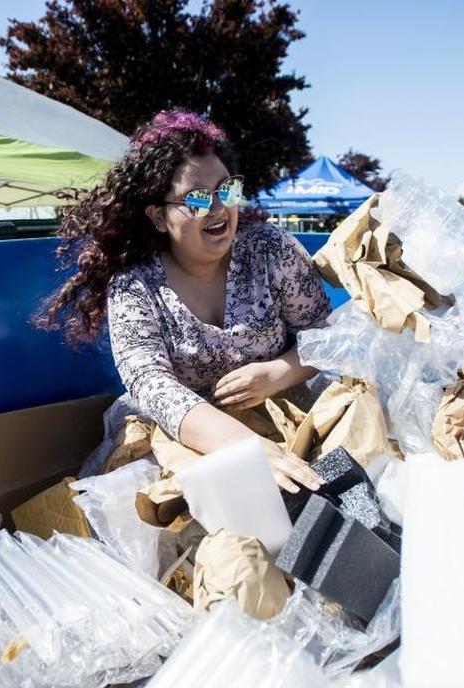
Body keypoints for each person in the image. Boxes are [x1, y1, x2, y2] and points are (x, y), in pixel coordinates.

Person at [37, 109, 326, 494]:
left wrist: (280, 372)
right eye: (198, 199)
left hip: (291, 423)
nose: (220, 209)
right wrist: (248, 449)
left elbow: (325, 333)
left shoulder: (271, 251)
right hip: (185, 445)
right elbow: (151, 384)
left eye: (227, 190)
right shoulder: (135, 286)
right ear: (158, 217)